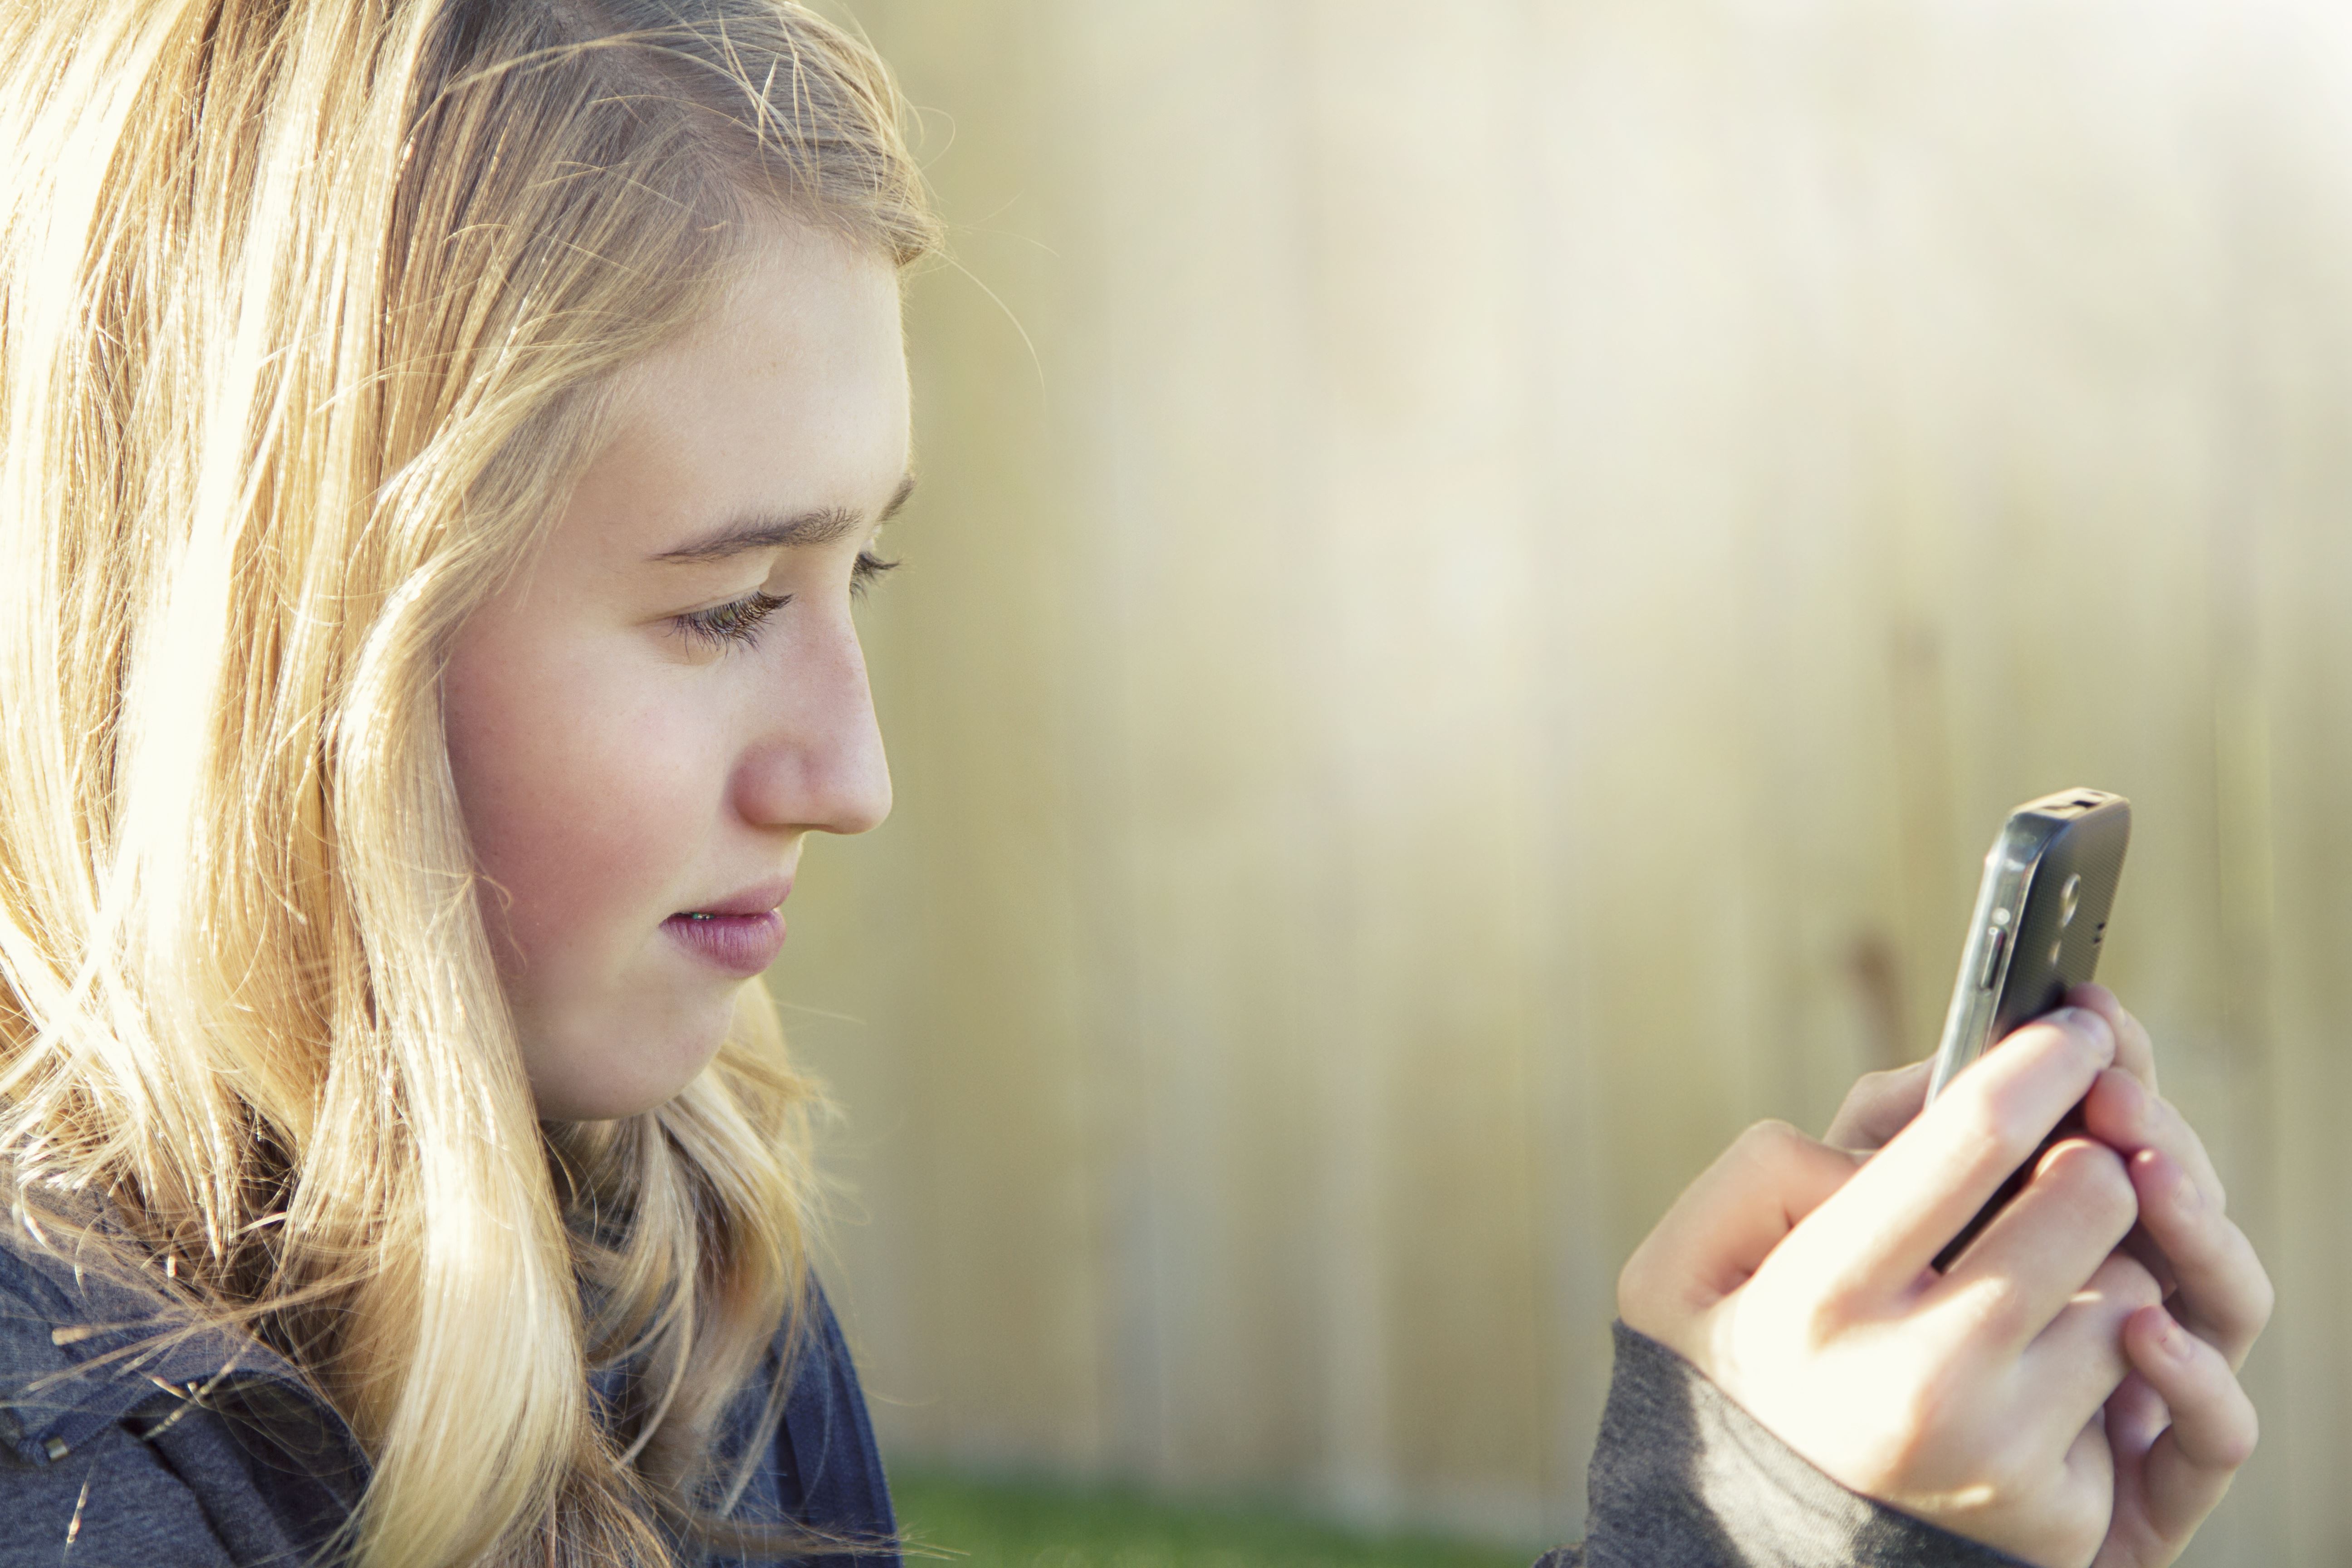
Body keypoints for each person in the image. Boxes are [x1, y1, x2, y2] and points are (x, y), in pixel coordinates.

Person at [0, 3, 2270, 1567]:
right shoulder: (71, 1471)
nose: (852, 771)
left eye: (853, 571)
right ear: (273, 663)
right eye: (720, 608)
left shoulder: (655, 1246)